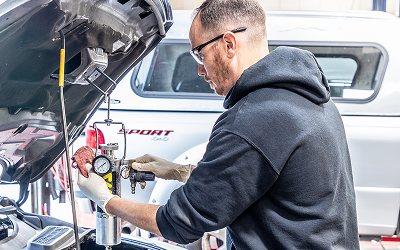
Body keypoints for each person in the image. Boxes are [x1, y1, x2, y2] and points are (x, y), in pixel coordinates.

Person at [75, 0, 360, 249]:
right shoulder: (309, 97)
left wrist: (106, 200)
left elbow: (180, 223)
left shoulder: (253, 119)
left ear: (228, 44)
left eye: (199, 53)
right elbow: (258, 181)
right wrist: (178, 171)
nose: (199, 69)